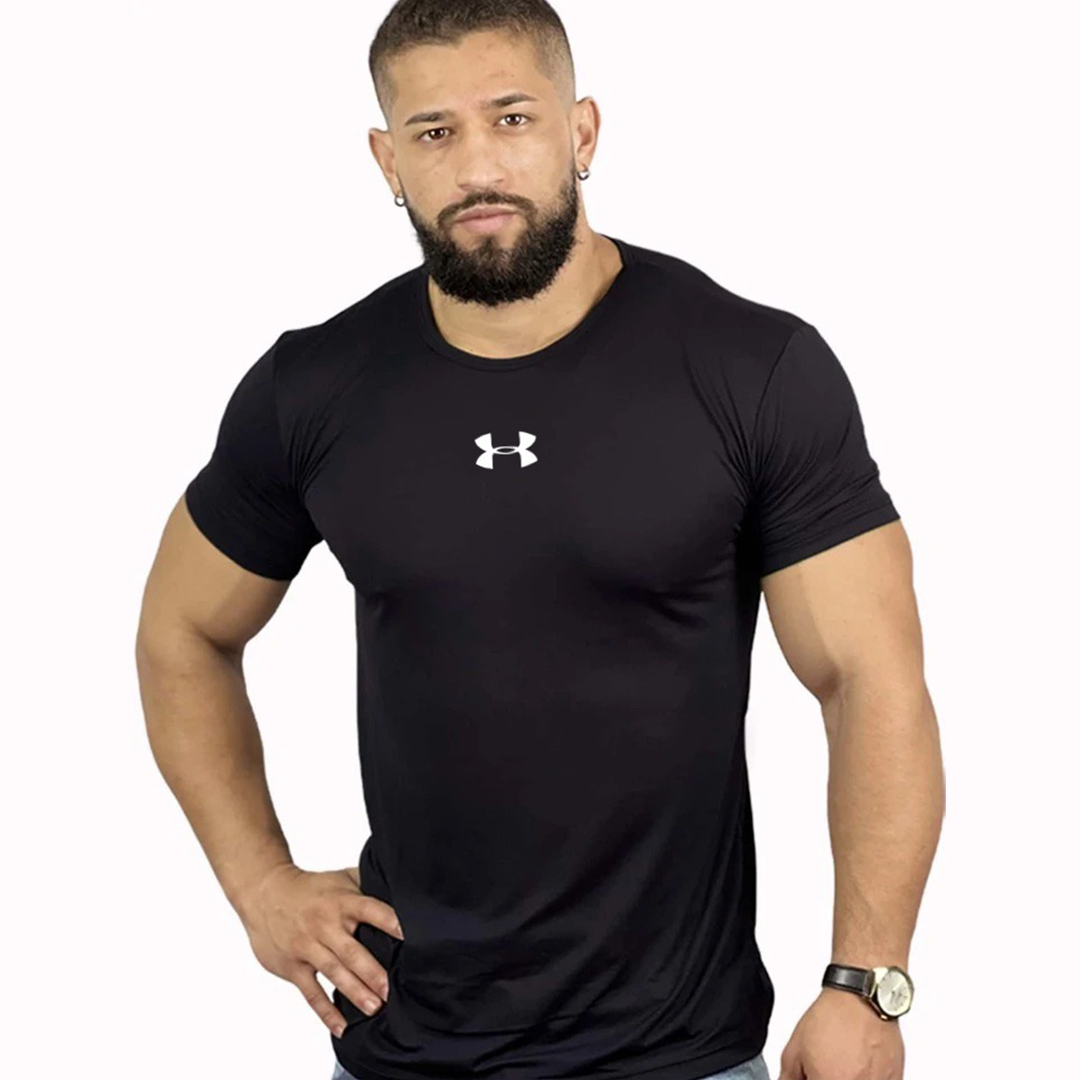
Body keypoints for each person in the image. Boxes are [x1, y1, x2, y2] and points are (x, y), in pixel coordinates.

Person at [135, 2, 945, 1079]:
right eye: (434, 132)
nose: (478, 166)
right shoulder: (315, 387)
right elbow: (182, 630)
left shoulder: (750, 369)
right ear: (388, 160)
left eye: (512, 118)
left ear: (583, 131)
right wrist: (258, 883)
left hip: (679, 1054)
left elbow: (869, 678)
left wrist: (866, 983)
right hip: (402, 1045)